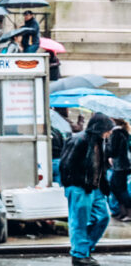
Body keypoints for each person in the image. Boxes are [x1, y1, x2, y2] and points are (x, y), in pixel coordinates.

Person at [60, 112, 115, 266]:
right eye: (108, 129)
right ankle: (80, 253)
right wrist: (77, 183)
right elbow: (67, 165)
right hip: (80, 186)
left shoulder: (99, 141)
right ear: (101, 128)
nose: (110, 132)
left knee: (102, 217)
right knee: (79, 221)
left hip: (93, 186)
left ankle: (82, 249)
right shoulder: (80, 140)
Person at [107, 118, 131, 221]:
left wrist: (107, 151)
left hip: (120, 165)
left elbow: (113, 150)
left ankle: (127, 213)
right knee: (117, 187)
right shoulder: (124, 132)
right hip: (124, 164)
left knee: (119, 188)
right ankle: (123, 212)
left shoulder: (116, 133)